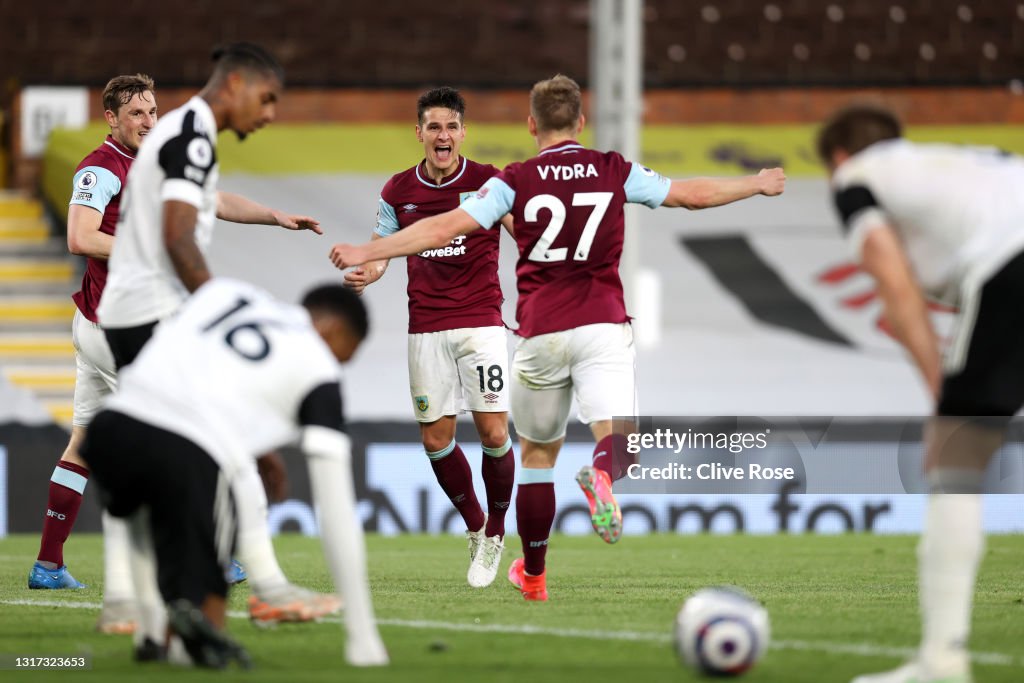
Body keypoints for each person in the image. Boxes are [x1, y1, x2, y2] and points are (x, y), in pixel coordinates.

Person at [329, 74, 786, 601]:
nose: (444, 134)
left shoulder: (513, 180)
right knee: (618, 443)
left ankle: (533, 575)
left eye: (451, 125)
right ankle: (600, 478)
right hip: (600, 324)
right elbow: (689, 195)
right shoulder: (612, 169)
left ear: (530, 124)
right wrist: (754, 183)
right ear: (581, 122)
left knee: (535, 457)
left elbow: (443, 228)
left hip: (538, 331)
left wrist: (367, 253)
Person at [95, 43, 334, 627]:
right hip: (153, 310)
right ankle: (264, 589)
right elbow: (179, 237)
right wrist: (218, 314)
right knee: (231, 449)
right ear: (235, 85)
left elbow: (204, 206)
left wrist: (275, 216)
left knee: (175, 460)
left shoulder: (184, 135)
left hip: (136, 310)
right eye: (268, 97)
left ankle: (132, 603)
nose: (271, 113)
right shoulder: (191, 135)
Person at [81, 278, 389, 669]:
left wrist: (260, 447)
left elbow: (190, 362)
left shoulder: (227, 293)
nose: (341, 365)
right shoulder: (319, 366)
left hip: (111, 429)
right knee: (214, 556)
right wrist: (363, 638)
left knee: (141, 513)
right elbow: (336, 508)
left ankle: (150, 633)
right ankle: (191, 642)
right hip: (186, 450)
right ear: (336, 330)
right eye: (348, 355)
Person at [818, 105, 1024, 683]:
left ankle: (941, 662)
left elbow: (893, 282)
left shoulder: (855, 179)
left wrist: (941, 393)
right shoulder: (958, 163)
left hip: (1012, 262)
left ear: (837, 157)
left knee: (952, 458)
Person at [339, 87, 515, 588]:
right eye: (434, 127)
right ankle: (476, 525)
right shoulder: (398, 191)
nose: (443, 136)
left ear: (463, 132)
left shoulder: (488, 182)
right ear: (419, 133)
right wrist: (366, 274)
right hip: (427, 327)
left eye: (451, 126)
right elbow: (381, 250)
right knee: (436, 440)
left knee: (495, 434)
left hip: (481, 322)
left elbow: (520, 230)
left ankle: (499, 533)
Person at [27, 74, 157, 636]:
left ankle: (48, 564)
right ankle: (199, 555)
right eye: (136, 113)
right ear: (111, 117)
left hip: (96, 322)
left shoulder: (148, 164)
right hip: (113, 328)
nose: (148, 121)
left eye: (153, 111)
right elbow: (81, 236)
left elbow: (211, 199)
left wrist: (271, 216)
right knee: (170, 432)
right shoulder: (100, 167)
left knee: (83, 440)